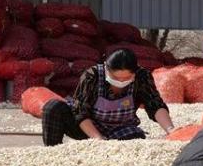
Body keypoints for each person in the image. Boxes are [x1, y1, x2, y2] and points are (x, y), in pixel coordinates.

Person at [41, 48, 175, 146]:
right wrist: (99, 140)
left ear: (135, 73)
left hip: (120, 128)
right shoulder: (92, 75)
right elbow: (80, 111)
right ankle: (52, 151)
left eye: (127, 78)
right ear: (106, 69)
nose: (121, 82)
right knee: (53, 108)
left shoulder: (142, 76)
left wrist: (171, 130)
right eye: (115, 78)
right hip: (87, 127)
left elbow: (155, 104)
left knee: (136, 138)